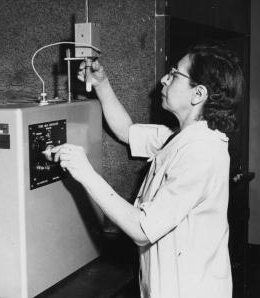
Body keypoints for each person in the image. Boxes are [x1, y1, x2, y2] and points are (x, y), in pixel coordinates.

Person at [51, 43, 244, 298]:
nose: (164, 78)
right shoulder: (181, 137)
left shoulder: (201, 153)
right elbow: (126, 131)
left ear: (198, 94)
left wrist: (84, 172)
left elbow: (142, 230)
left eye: (175, 74)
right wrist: (102, 84)